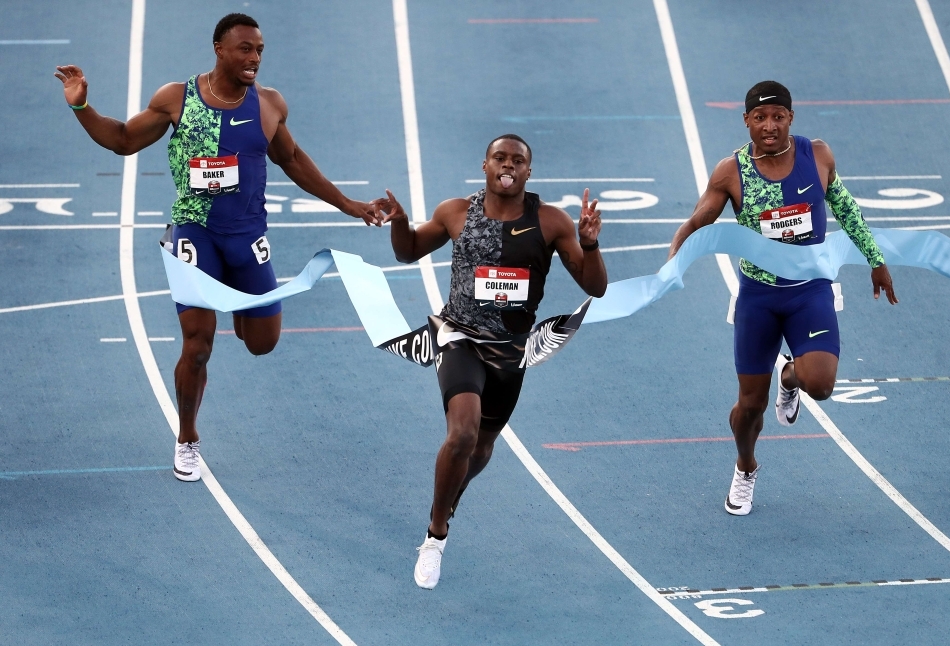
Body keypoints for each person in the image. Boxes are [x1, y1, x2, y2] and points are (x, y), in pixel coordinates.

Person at [55, 13, 381, 482]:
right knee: (198, 345)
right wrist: (82, 108)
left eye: (260, 50)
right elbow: (123, 140)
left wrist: (349, 204)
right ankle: (187, 438)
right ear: (219, 49)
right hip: (195, 232)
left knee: (262, 344)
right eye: (245, 49)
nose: (254, 58)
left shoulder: (268, 105)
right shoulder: (177, 99)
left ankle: (233, 301)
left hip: (247, 238)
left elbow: (291, 159)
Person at [375, 134, 607, 589]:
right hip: (458, 336)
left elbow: (595, 287)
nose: (508, 165)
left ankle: (452, 495)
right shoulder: (456, 212)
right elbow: (406, 252)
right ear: (484, 165)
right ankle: (435, 535)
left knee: (480, 448)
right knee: (462, 432)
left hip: (510, 351)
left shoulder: (551, 222)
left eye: (518, 160)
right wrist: (399, 223)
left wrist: (590, 244)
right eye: (500, 157)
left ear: (528, 172)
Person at [668, 80, 898, 516]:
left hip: (809, 288)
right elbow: (702, 217)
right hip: (758, 296)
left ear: (791, 118)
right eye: (760, 117)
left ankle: (790, 377)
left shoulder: (818, 155)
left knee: (821, 385)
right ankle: (746, 466)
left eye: (778, 116)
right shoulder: (731, 171)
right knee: (749, 407)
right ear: (747, 121)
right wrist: (677, 247)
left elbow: (846, 209)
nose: (769, 125)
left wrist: (875, 259)